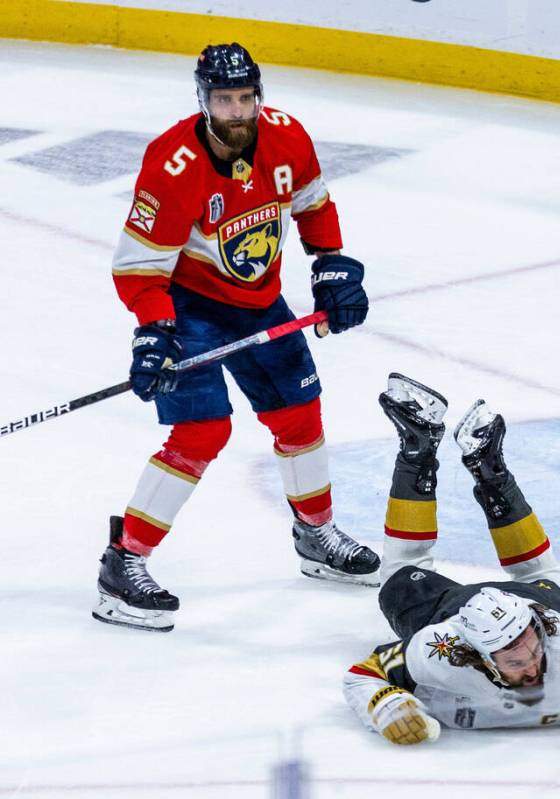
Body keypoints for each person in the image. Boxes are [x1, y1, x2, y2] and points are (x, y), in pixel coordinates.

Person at [93, 43, 379, 633]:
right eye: (223, 100)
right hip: (187, 304)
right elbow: (139, 269)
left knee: (300, 413)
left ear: (258, 96)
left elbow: (313, 205)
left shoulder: (287, 137)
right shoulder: (173, 162)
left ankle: (315, 535)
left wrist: (331, 266)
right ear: (204, 102)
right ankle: (125, 564)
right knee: (202, 429)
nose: (236, 111)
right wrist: (154, 334)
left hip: (257, 300)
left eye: (244, 97)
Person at [341, 374, 560, 745]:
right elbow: (364, 674)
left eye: (532, 649)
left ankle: (437, 454)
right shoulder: (439, 651)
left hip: (537, 603)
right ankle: (460, 464)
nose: (534, 666)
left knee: (413, 574)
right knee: (531, 572)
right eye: (515, 662)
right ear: (480, 658)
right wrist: (389, 708)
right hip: (447, 609)